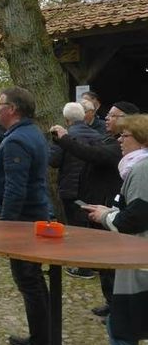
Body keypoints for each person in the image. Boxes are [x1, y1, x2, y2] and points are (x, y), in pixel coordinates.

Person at [50, 100, 141, 318]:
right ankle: (111, 303)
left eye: (114, 115)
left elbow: (94, 155)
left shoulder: (127, 147)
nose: (107, 118)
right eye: (108, 115)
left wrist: (64, 138)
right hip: (99, 204)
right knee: (104, 262)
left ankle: (117, 308)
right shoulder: (111, 139)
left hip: (112, 208)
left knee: (112, 262)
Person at [0, 87, 51, 345]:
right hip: (31, 217)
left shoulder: (17, 139)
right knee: (33, 279)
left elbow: (16, 188)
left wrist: (7, 227)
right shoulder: (30, 132)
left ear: (12, 109)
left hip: (23, 221)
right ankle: (43, 336)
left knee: (29, 281)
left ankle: (41, 340)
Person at [83, 114, 148, 345]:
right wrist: (110, 209)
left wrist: (105, 216)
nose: (119, 140)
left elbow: (136, 218)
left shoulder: (142, 169)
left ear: (142, 140)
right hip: (138, 264)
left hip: (139, 267)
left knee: (121, 331)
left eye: (125, 135)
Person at [48, 102, 102, 279]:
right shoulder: (98, 135)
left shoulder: (65, 136)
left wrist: (53, 141)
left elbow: (54, 161)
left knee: (76, 227)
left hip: (71, 188)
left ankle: (82, 266)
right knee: (93, 227)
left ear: (66, 119)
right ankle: (95, 263)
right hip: (93, 189)